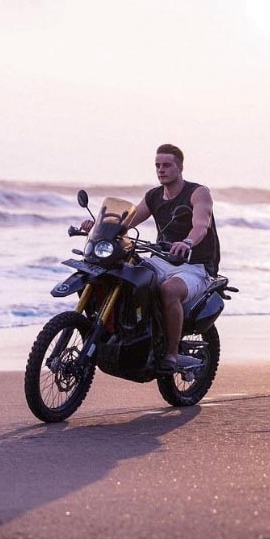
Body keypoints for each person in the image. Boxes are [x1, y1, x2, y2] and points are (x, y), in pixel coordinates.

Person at [82, 143, 220, 373]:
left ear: (180, 167)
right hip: (162, 259)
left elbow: (201, 226)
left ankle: (172, 354)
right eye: (157, 165)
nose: (161, 170)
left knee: (169, 290)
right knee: (125, 275)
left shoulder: (198, 193)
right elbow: (126, 222)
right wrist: (97, 226)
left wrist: (186, 242)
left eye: (167, 165)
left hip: (194, 265)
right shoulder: (154, 195)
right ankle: (133, 333)